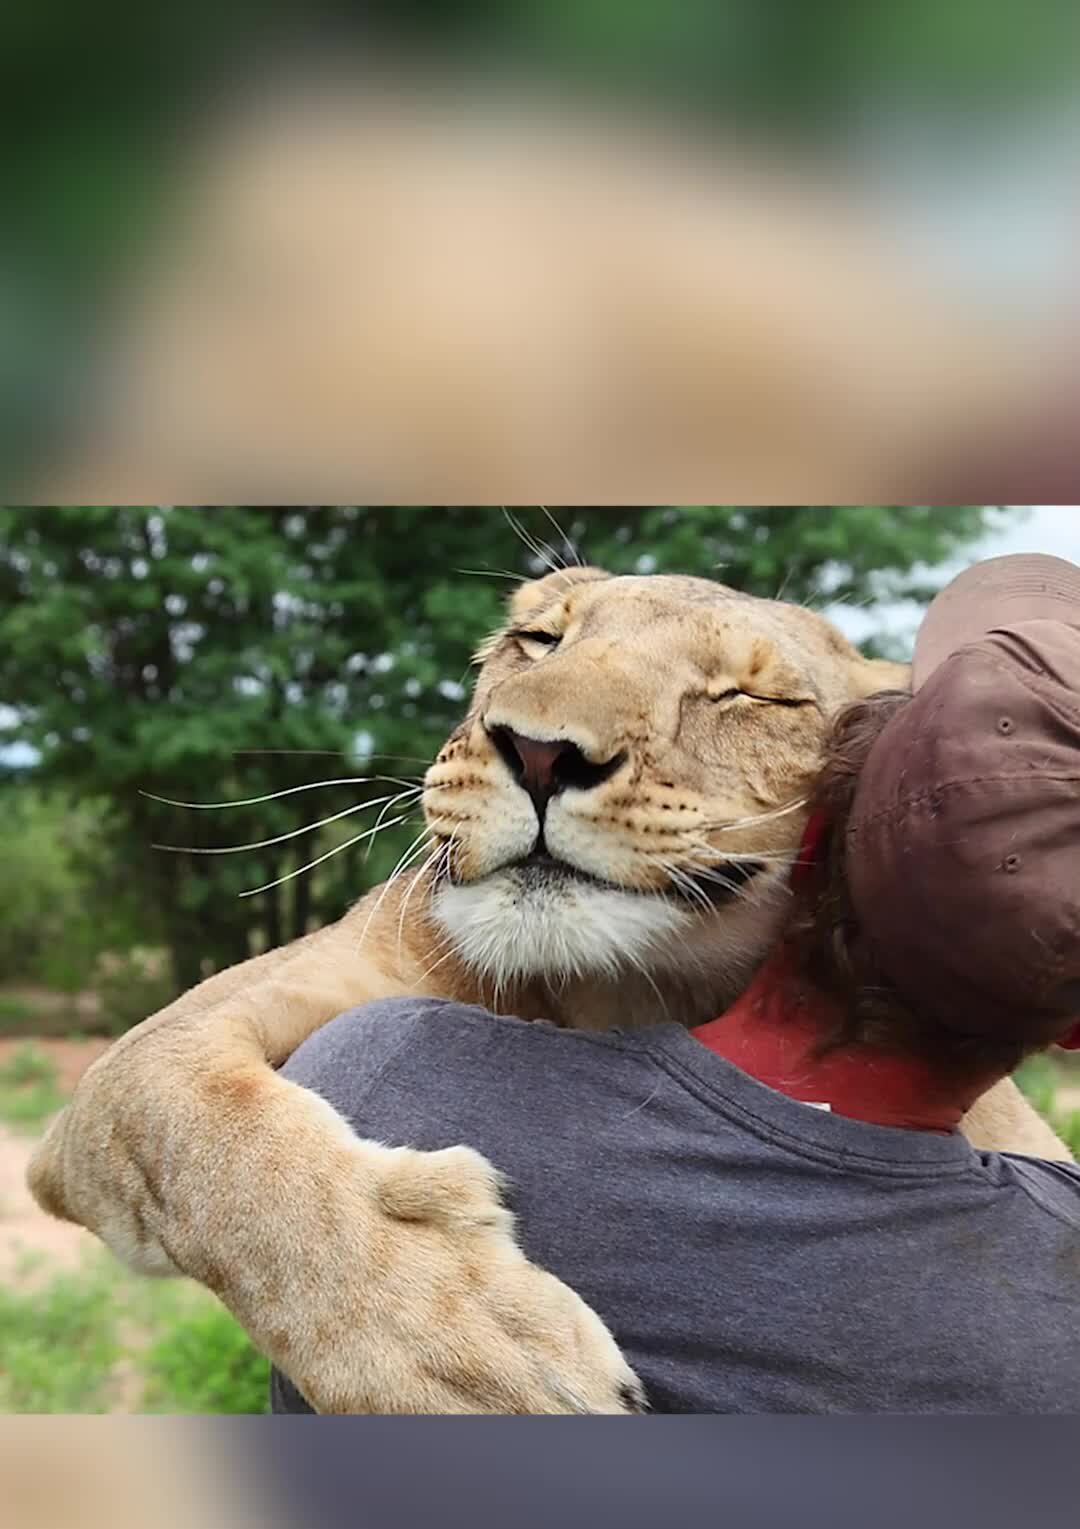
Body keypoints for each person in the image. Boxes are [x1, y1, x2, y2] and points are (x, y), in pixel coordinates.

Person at [272, 554, 1080, 1415]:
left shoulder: (384, 1075)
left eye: (756, 701)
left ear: (813, 843)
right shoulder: (1056, 1284)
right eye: (539, 642)